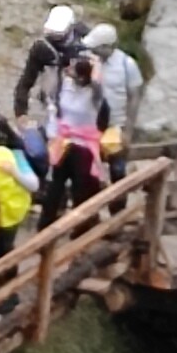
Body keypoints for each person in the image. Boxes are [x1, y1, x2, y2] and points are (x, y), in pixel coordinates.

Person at [39, 54, 110, 228]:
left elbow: (97, 84)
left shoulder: (95, 94)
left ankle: (80, 227)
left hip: (83, 145)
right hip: (64, 140)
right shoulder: (66, 85)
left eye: (74, 70)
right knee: (55, 186)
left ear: (83, 77)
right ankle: (45, 224)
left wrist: (95, 64)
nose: (68, 72)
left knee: (80, 188)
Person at [82, 23, 145, 180]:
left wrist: (128, 130)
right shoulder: (88, 61)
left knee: (117, 167)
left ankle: (118, 202)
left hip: (116, 124)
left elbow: (135, 97)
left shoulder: (127, 65)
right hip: (90, 123)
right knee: (88, 168)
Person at [13, 4, 90, 126]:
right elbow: (25, 82)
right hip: (51, 105)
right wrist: (21, 112)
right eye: (52, 35)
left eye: (59, 36)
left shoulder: (87, 41)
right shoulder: (42, 49)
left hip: (83, 105)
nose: (55, 39)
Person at [0, 124, 38, 259]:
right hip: (4, 211)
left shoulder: (15, 155)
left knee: (4, 247)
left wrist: (14, 172)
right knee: (1, 244)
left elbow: (34, 185)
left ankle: (7, 274)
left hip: (9, 211)